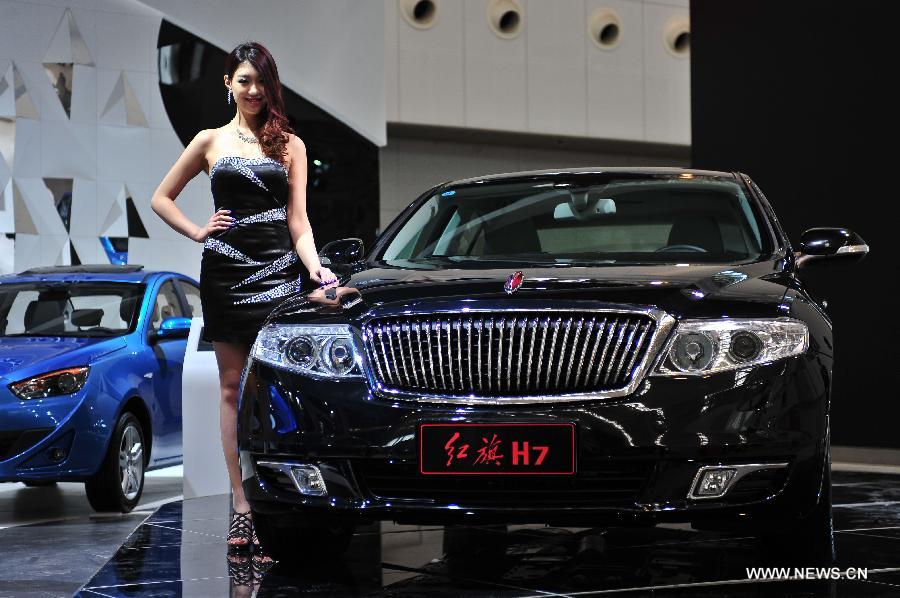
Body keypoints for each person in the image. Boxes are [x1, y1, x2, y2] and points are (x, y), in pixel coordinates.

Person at [150, 41, 337, 554]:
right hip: (227, 277)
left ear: (270, 85)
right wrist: (197, 231)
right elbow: (161, 197)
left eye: (261, 81)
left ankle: (291, 495)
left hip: (279, 276)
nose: (253, 90)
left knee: (280, 389)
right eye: (243, 80)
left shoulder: (290, 144)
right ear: (228, 83)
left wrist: (316, 267)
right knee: (231, 389)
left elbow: (298, 222)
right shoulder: (209, 141)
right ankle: (241, 506)